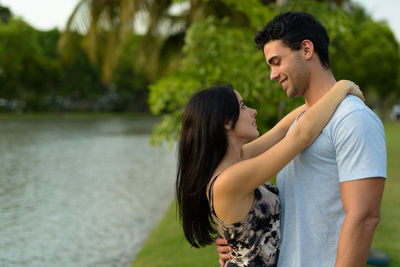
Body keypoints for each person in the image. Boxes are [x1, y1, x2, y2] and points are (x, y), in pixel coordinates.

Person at [216, 12, 387, 267]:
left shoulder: (352, 118)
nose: (272, 74)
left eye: (276, 61)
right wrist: (241, 235)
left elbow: (364, 218)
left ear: (306, 49)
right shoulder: (298, 125)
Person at [177, 80, 364, 266]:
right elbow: (301, 136)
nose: (253, 111)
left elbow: (282, 130)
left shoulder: (239, 160)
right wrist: (343, 87)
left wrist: (324, 96)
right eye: (243, 107)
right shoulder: (229, 180)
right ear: (226, 121)